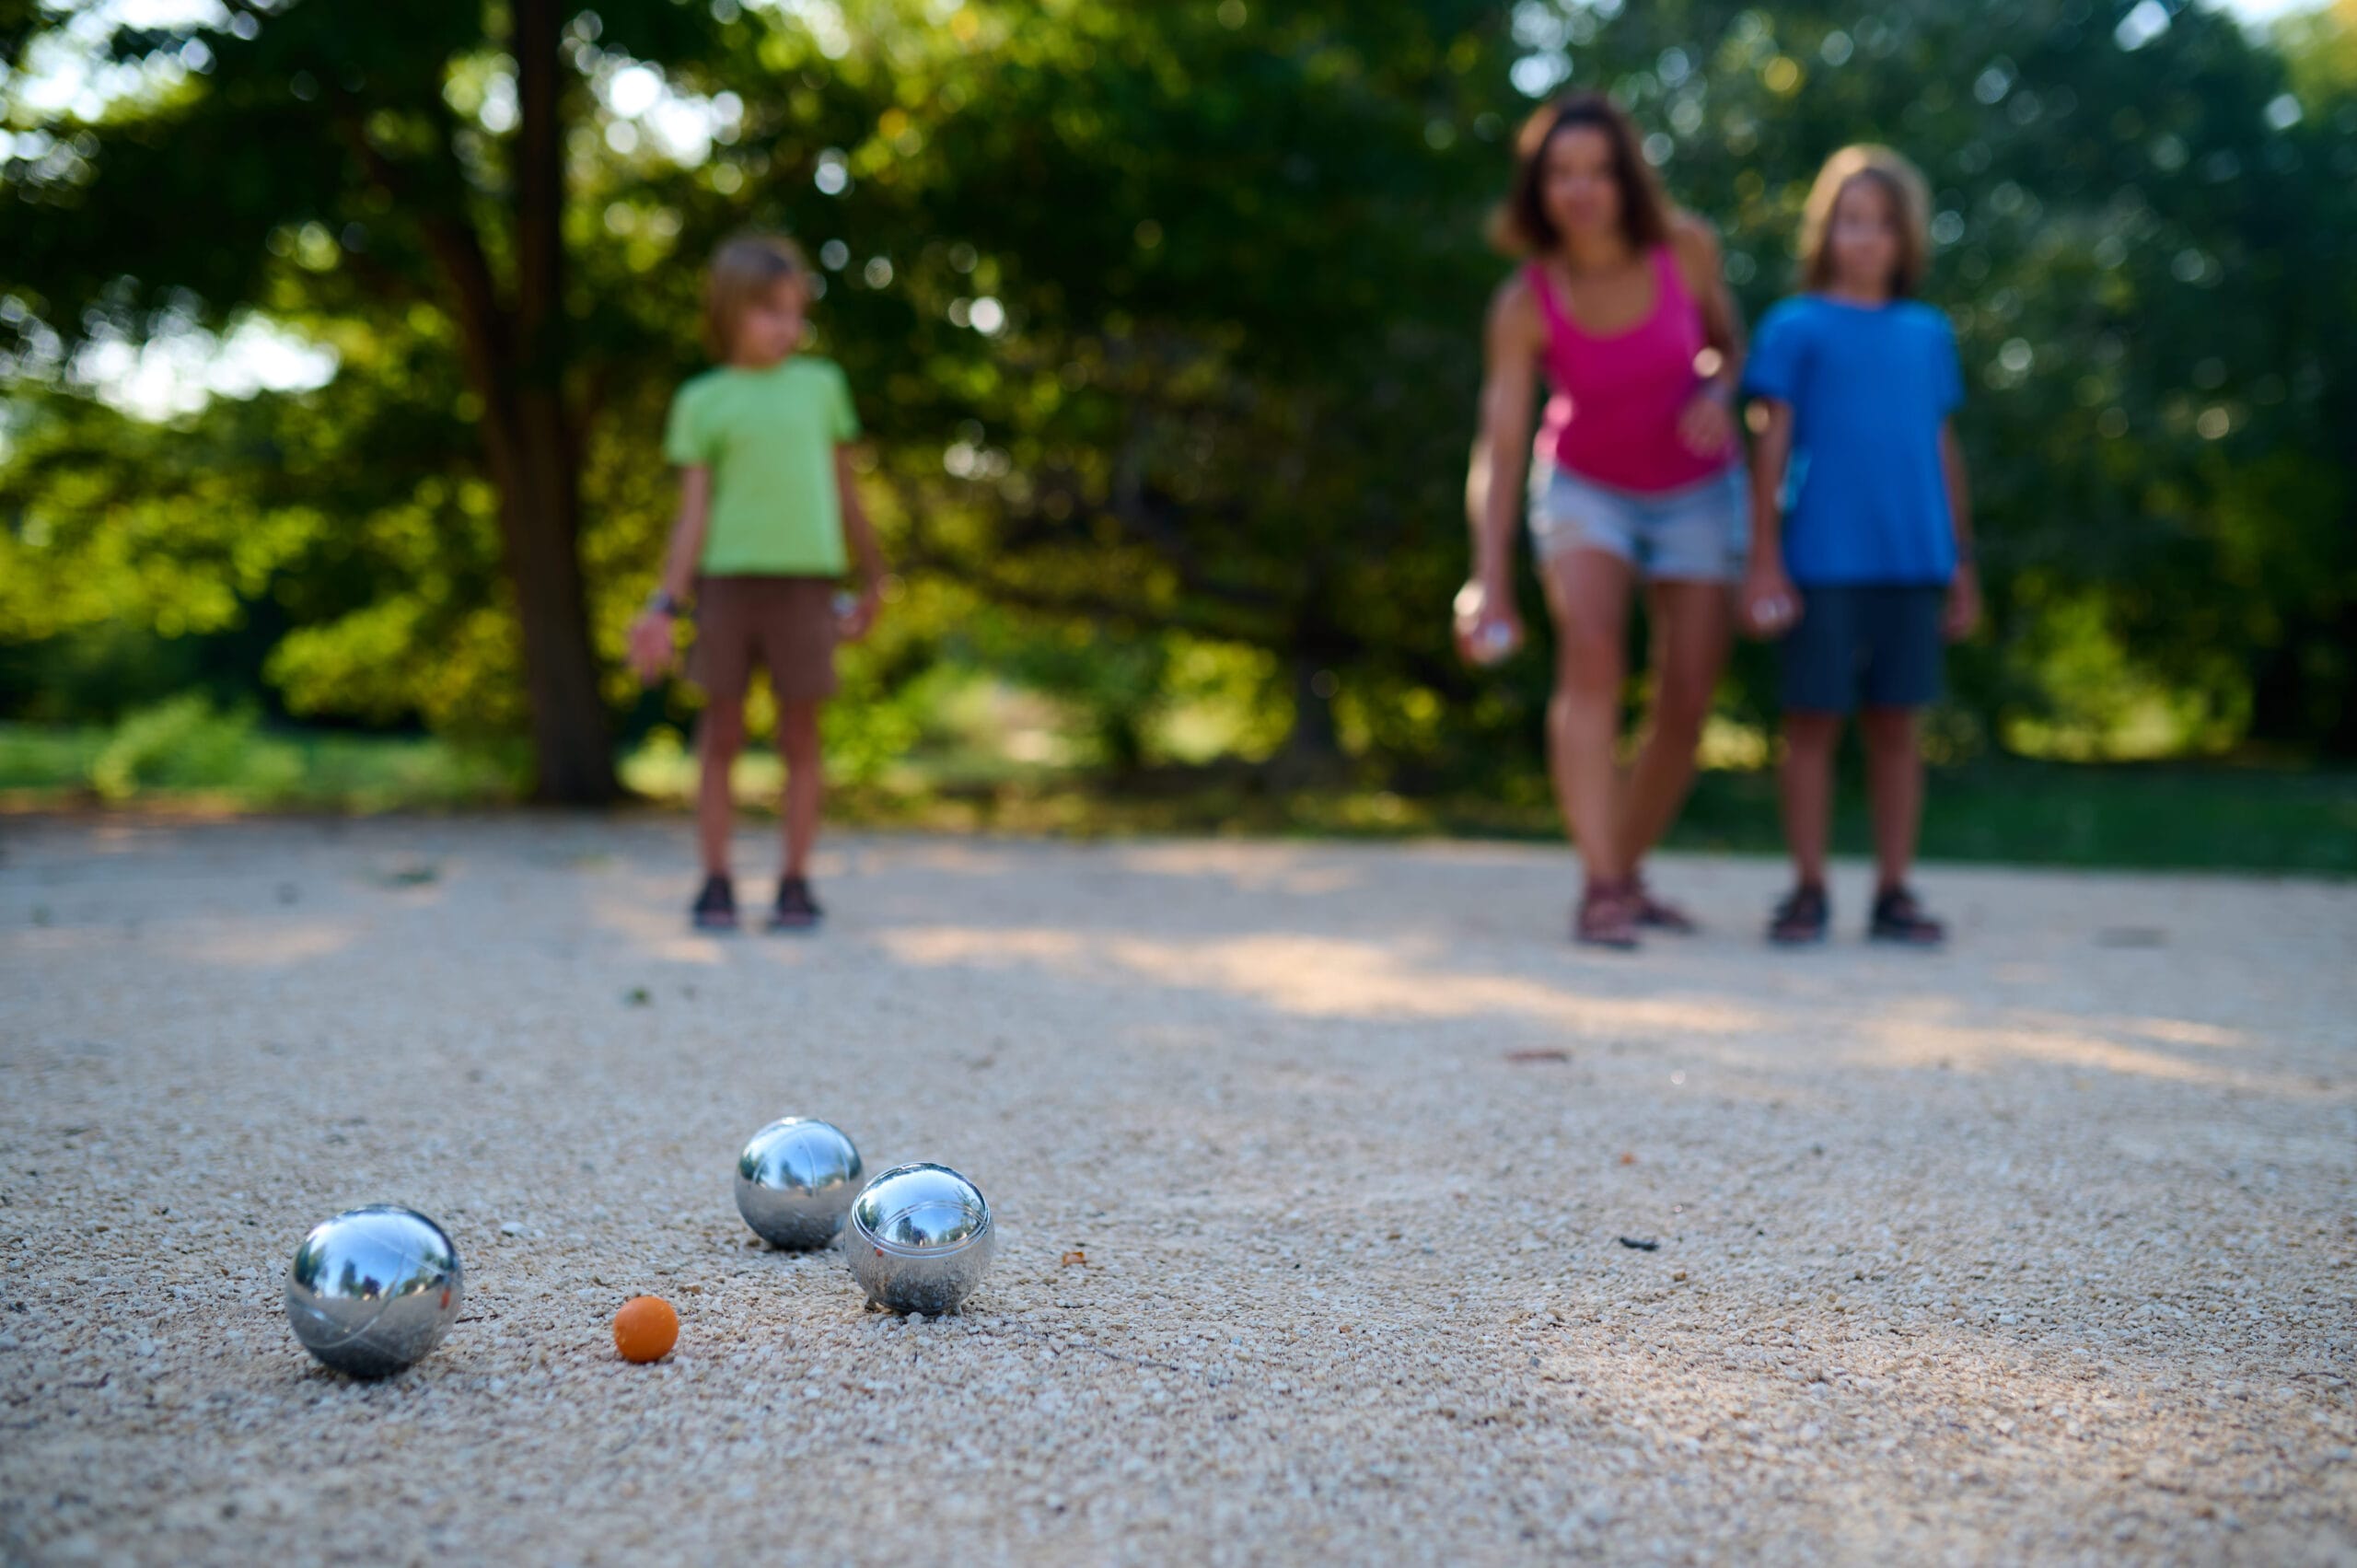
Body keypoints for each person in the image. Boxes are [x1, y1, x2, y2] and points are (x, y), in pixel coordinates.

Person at [1456, 93, 1748, 949]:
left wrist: (1717, 391)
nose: (1579, 189)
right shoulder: (1524, 301)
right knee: (1592, 655)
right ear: (1537, 188)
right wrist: (1489, 574)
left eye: (1597, 170)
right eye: (1560, 173)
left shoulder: (1685, 249)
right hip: (1586, 486)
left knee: (1688, 691)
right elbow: (1501, 445)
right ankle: (1601, 885)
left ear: (1626, 179)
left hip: (1699, 488)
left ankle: (1623, 866)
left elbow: (1727, 348)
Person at [1737, 145, 1980, 947]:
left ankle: (1893, 890)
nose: (1865, 238)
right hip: (1820, 558)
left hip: (1911, 559)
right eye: (1850, 220)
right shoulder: (1795, 326)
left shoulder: (1928, 333)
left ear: (1906, 236)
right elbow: (1770, 443)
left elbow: (1942, 447)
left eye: (1881, 223)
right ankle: (1808, 886)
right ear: (1825, 229)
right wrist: (1764, 555)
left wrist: (1961, 564)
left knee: (1898, 728)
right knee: (1811, 722)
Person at [628, 233, 886, 933]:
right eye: (771, 310)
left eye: (796, 312)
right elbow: (693, 515)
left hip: (807, 584)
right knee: (722, 734)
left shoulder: (821, 387)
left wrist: (875, 576)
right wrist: (665, 601)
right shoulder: (703, 401)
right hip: (726, 586)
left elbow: (844, 491)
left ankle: (795, 881)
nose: (788, 327)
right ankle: (716, 880)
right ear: (730, 310)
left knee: (802, 734)